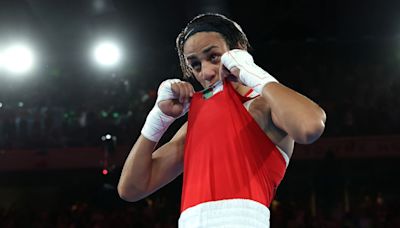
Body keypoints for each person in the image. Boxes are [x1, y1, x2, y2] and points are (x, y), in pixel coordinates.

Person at [118, 13, 326, 227]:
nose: (206, 72)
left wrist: (251, 72)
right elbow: (132, 189)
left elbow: (310, 127)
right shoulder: (195, 122)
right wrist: (158, 119)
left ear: (238, 50)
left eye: (213, 57)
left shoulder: (266, 105)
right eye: (196, 65)